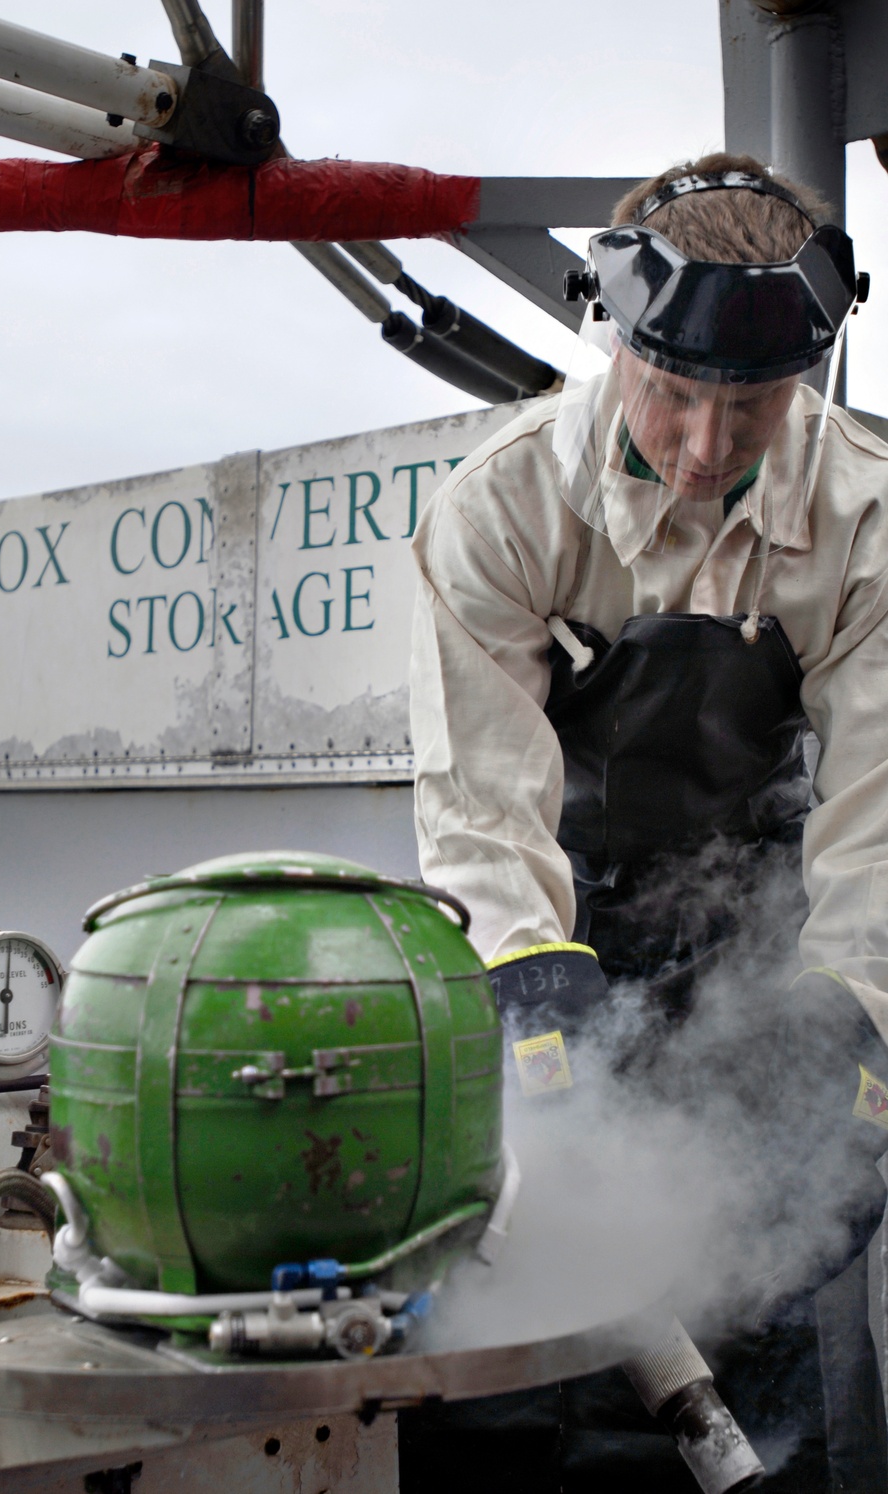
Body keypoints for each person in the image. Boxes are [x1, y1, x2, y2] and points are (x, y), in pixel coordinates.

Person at [403, 153, 888, 1492]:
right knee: (525, 1284)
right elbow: (484, 810)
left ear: (809, 376)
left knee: (757, 1279)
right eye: (674, 397)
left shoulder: (870, 521)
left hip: (754, 924)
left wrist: (853, 1025)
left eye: (751, 412)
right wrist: (533, 992)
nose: (701, 450)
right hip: (553, 919)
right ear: (614, 338)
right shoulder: (502, 507)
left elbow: (877, 822)